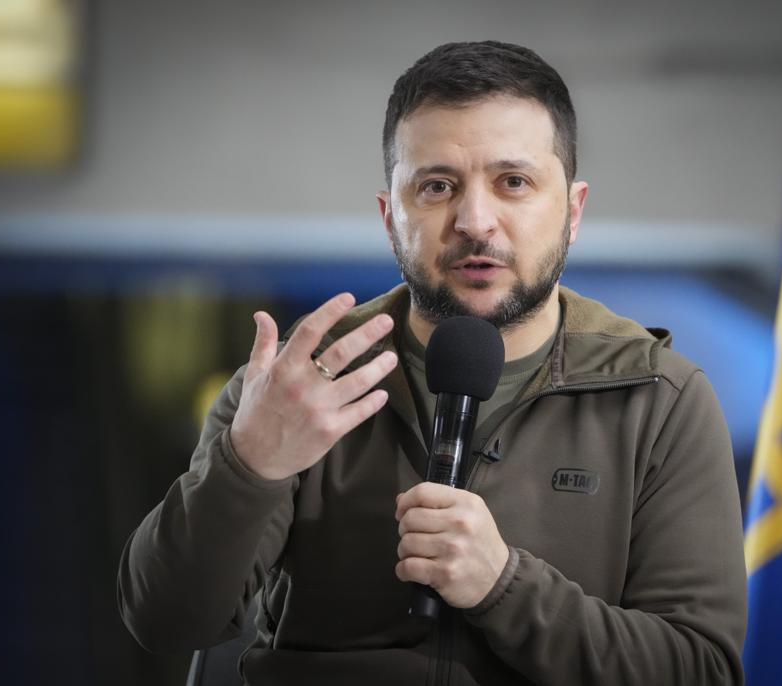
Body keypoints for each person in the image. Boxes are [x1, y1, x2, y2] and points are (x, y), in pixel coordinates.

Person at [118, 41, 747, 685]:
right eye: (438, 186)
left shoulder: (660, 400)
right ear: (392, 219)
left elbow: (699, 670)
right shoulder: (297, 385)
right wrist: (249, 466)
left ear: (573, 211)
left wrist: (504, 587)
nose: (475, 221)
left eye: (514, 183)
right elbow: (164, 622)